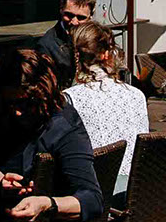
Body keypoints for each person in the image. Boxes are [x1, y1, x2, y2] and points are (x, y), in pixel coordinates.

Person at [0, 42, 105, 222]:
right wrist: (0, 179)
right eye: (10, 103)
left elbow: (92, 199)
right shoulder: (8, 116)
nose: (17, 112)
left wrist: (46, 203)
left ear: (42, 96)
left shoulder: (64, 128)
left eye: (25, 103)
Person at [62, 19, 150, 193]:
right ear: (107, 54)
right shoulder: (136, 95)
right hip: (136, 193)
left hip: (94, 195)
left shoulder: (71, 98)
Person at [34, 0, 95, 89]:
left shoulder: (96, 39)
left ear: (91, 15)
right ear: (61, 9)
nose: (74, 22)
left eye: (81, 18)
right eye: (69, 15)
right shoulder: (47, 44)